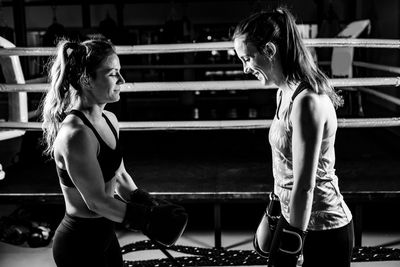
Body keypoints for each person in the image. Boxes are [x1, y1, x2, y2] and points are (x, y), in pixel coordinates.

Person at [41, 38, 188, 267]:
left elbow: (119, 176)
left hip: (105, 234)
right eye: (112, 74)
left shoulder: (109, 119)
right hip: (78, 243)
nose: (122, 80)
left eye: (120, 72)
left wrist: (151, 204)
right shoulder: (76, 134)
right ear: (86, 79)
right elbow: (96, 201)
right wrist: (146, 220)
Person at [232, 7, 354, 267]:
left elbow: (305, 185)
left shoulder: (307, 101)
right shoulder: (282, 93)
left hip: (324, 227)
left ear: (270, 51)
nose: (245, 68)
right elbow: (284, 165)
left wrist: (290, 243)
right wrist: (274, 208)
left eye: (247, 58)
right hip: (294, 215)